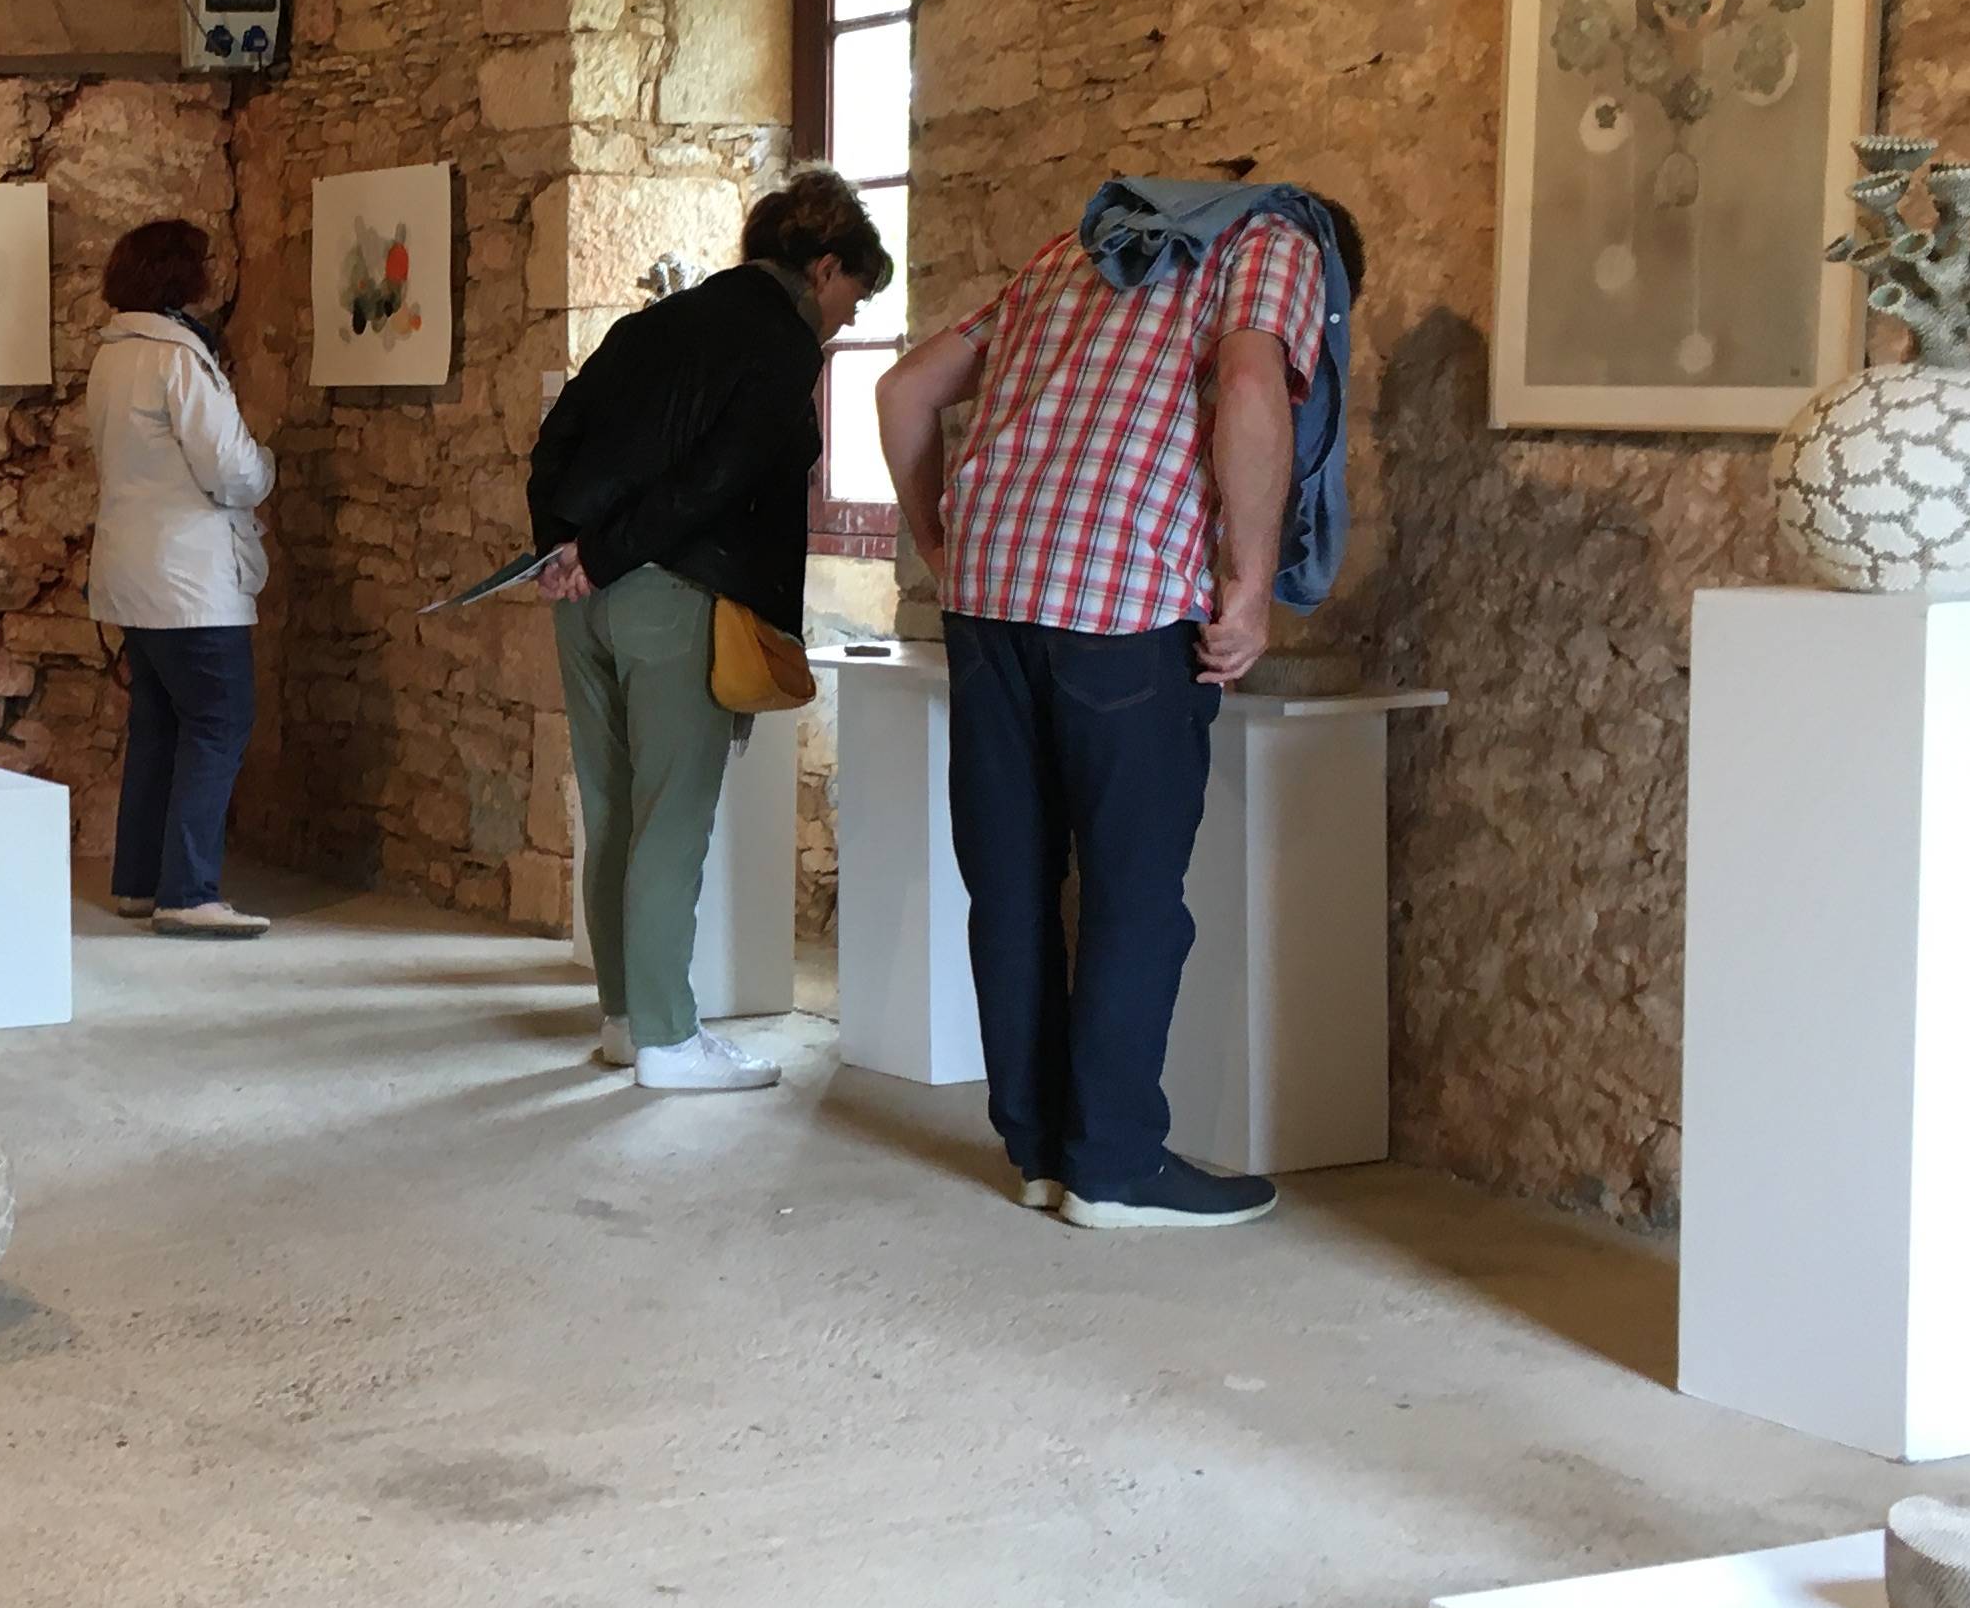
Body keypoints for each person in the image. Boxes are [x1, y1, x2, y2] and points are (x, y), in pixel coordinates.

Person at [873, 181, 1364, 1233]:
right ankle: (1114, 1165)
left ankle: (1039, 1152)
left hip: (990, 598)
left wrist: (940, 544)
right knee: (1133, 894)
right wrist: (1249, 581)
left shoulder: (1069, 252)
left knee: (1010, 883)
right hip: (1124, 601)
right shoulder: (1276, 243)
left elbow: (908, 389)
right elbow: (1248, 385)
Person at [527, 170, 887, 1093]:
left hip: (587, 599)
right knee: (672, 818)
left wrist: (566, 551)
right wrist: (603, 555)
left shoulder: (659, 322)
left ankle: (624, 1018)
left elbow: (555, 438)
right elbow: (716, 483)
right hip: (676, 597)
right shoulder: (777, 345)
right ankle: (669, 1040)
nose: (849, 316)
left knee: (610, 811)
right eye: (854, 291)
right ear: (824, 265)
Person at [85, 218, 276, 940]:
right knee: (219, 722)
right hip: (191, 580)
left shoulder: (112, 355)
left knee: (158, 724)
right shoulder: (177, 357)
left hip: (132, 570)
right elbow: (229, 469)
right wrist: (268, 466)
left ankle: (139, 880)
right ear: (180, 275)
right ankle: (189, 889)